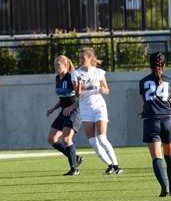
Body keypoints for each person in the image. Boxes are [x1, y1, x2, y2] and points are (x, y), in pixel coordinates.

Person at [72, 47, 122, 175]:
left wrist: (102, 89)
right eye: (79, 58)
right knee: (93, 141)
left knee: (102, 138)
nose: (81, 60)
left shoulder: (99, 72)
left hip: (99, 107)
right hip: (85, 109)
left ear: (90, 58)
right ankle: (110, 165)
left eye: (83, 57)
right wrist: (79, 83)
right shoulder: (76, 73)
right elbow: (77, 94)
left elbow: (107, 90)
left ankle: (116, 165)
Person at [139, 52, 171, 197]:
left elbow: (146, 103)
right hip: (168, 121)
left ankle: (164, 188)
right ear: (164, 65)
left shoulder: (143, 82)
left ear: (150, 65)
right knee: (170, 156)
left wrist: (144, 112)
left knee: (157, 157)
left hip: (151, 121)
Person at [46, 55, 82, 175]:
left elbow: (80, 97)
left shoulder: (72, 76)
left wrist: (71, 107)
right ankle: (75, 158)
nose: (55, 66)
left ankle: (74, 169)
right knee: (51, 138)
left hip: (74, 110)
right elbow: (63, 98)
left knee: (66, 139)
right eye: (54, 64)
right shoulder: (57, 78)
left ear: (66, 65)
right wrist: (52, 109)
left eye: (58, 64)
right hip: (64, 111)